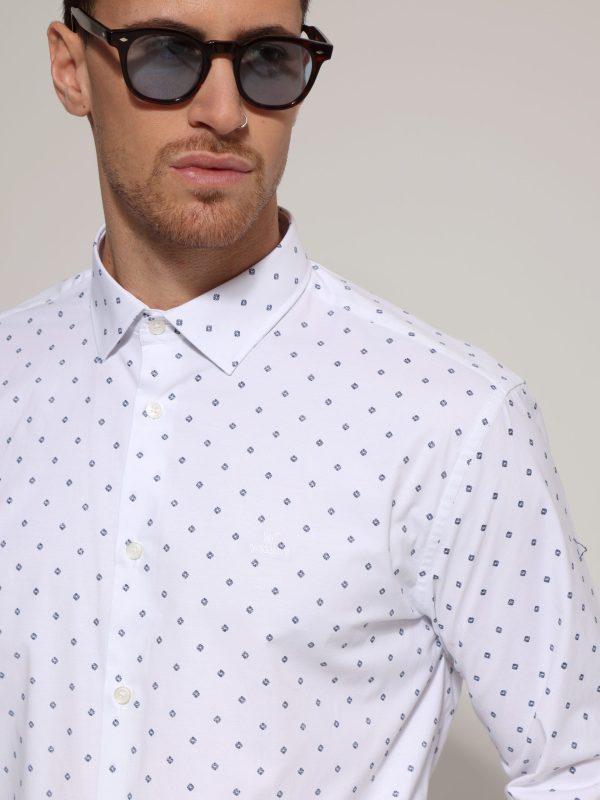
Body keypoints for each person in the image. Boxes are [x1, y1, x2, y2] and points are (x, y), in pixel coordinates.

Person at [0, 0, 598, 797]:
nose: (224, 113)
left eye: (267, 61)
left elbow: (579, 761)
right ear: (71, 67)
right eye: (166, 55)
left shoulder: (453, 419)